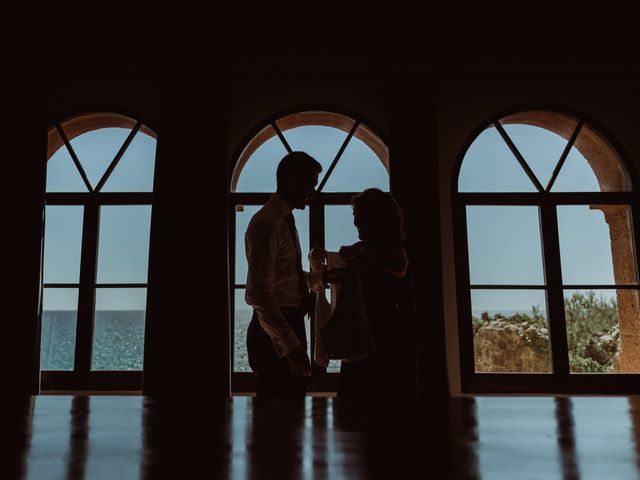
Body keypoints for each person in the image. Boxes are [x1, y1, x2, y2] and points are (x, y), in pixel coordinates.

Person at [310, 188, 410, 411]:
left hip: (383, 342)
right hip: (362, 341)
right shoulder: (364, 250)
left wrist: (357, 255)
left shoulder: (392, 250)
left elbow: (399, 267)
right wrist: (319, 271)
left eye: (358, 218)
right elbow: (343, 276)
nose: (355, 224)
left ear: (373, 218)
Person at [245, 151, 327, 397]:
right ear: (292, 180)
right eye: (310, 184)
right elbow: (258, 293)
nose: (312, 193)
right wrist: (289, 345)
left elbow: (284, 277)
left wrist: (321, 279)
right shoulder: (268, 224)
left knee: (289, 419)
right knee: (278, 419)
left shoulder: (284, 221)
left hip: (286, 324)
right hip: (274, 332)